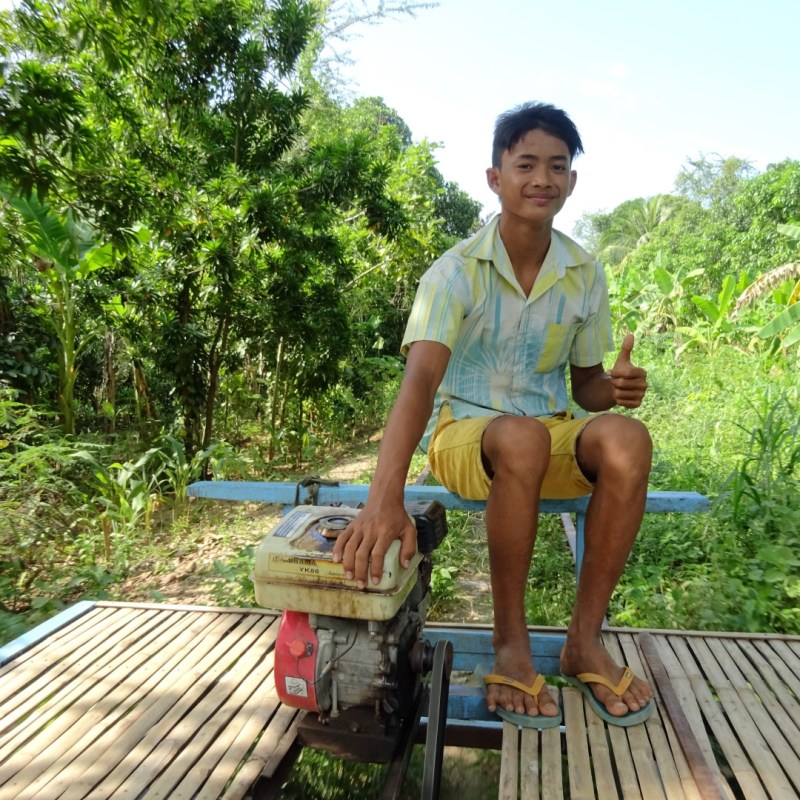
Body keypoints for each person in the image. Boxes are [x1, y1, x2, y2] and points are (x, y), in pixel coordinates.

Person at [332, 101, 654, 728]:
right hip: (466, 437)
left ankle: (583, 640)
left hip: (548, 433)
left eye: (557, 166)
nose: (542, 179)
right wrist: (384, 497)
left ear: (572, 181)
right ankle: (511, 645)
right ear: (495, 178)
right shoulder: (456, 273)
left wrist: (616, 391)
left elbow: (584, 385)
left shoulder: (583, 272)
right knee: (521, 439)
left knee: (628, 441)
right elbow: (420, 382)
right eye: (526, 164)